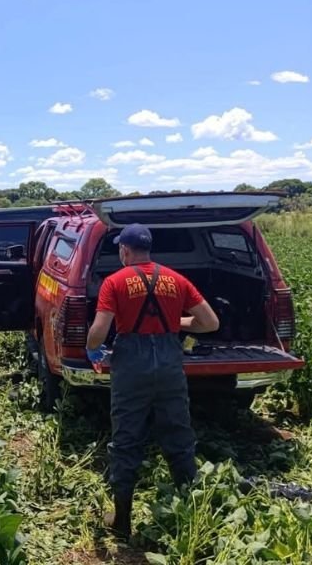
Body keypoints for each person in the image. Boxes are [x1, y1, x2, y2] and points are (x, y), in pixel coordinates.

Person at [86, 223, 219, 541]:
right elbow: (210, 322)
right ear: (149, 249)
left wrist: (92, 349)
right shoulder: (177, 280)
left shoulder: (114, 283)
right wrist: (176, 322)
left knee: (127, 439)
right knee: (178, 435)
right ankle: (191, 515)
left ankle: (121, 521)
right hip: (170, 363)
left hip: (132, 365)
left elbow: (100, 330)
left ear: (125, 250)